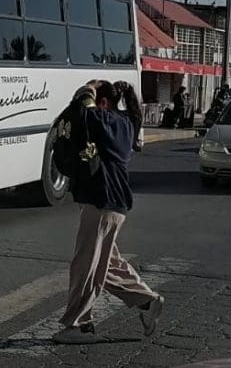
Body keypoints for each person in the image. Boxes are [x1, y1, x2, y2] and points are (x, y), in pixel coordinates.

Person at [53, 80, 165, 344]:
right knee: (108, 264)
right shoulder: (125, 122)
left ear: (103, 102)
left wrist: (87, 90)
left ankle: (78, 325)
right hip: (111, 204)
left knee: (85, 266)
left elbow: (84, 113)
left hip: (102, 203)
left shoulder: (105, 120)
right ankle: (147, 301)